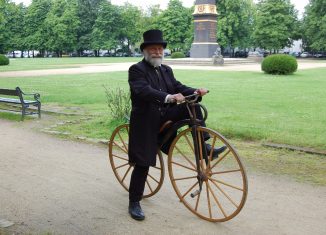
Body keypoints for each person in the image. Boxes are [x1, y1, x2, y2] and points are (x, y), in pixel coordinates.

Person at [127, 29, 226, 221]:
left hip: (165, 116)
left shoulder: (166, 70)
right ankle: (134, 202)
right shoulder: (136, 70)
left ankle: (204, 147)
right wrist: (169, 97)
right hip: (146, 120)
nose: (157, 52)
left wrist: (195, 90)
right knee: (143, 163)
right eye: (153, 49)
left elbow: (178, 87)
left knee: (193, 104)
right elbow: (144, 91)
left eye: (159, 49)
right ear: (145, 51)